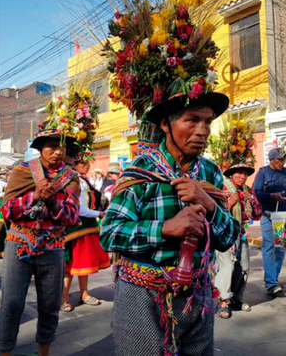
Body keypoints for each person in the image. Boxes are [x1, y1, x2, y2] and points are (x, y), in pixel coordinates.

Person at [101, 92, 240, 356]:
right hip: (143, 299)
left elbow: (228, 237)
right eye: (192, 120)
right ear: (166, 124)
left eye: (207, 122)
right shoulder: (141, 170)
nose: (202, 131)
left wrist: (209, 204)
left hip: (197, 297)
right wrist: (165, 228)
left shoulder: (210, 173)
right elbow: (110, 234)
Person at [0, 128, 81, 356]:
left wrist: (52, 202)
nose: (57, 152)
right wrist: (33, 196)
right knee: (11, 303)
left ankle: (44, 351)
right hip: (18, 244)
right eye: (51, 146)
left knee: (50, 305)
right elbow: (6, 210)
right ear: (40, 149)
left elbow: (72, 218)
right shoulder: (22, 172)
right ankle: (5, 351)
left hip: (53, 248)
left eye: (61, 146)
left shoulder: (71, 178)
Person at [60, 159, 111, 312]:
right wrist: (99, 214)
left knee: (84, 263)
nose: (86, 165)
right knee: (70, 265)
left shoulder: (84, 180)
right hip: (77, 227)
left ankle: (84, 293)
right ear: (73, 165)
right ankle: (63, 298)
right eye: (82, 163)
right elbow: (78, 208)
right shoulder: (73, 180)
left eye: (87, 162)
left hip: (87, 225)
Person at [215, 162, 262, 319]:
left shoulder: (248, 191)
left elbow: (258, 214)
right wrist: (231, 203)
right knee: (227, 266)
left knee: (244, 266)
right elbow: (213, 211)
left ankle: (236, 298)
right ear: (230, 175)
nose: (242, 176)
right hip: (225, 234)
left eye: (245, 174)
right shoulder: (223, 189)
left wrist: (252, 200)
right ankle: (223, 301)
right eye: (239, 173)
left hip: (241, 234)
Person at [252, 147, 286, 296]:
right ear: (272, 160)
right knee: (268, 248)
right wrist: (272, 195)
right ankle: (271, 284)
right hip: (269, 216)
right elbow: (257, 193)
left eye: (284, 159)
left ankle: (274, 279)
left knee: (280, 248)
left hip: (282, 218)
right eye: (280, 160)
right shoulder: (263, 173)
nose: (282, 162)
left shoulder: (285, 172)